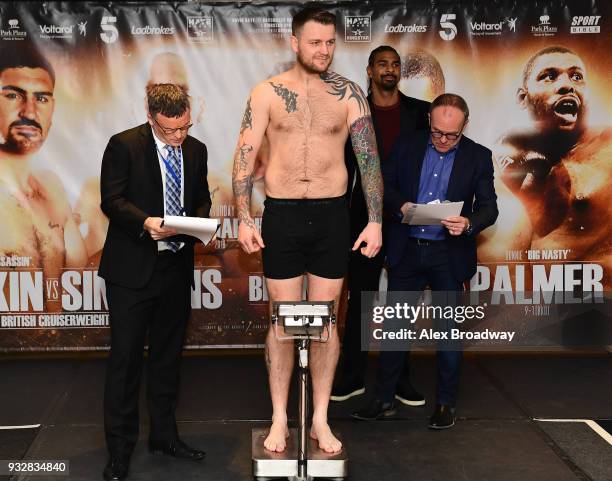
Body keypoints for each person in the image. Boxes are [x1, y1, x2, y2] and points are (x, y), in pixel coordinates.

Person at [232, 7, 383, 454]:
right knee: (282, 321)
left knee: (325, 321)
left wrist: (375, 220)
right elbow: (244, 156)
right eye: (315, 42)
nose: (324, 50)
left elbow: (369, 159)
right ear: (295, 43)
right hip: (281, 216)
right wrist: (243, 215)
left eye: (330, 42)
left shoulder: (350, 94)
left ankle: (319, 418)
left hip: (333, 217)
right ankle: (280, 416)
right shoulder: (267, 93)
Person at [352, 93, 498, 428]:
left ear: (464, 127)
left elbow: (489, 208)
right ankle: (384, 399)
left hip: (449, 255)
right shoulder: (407, 146)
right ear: (429, 122)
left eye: (452, 135)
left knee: (448, 333)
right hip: (407, 250)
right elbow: (382, 185)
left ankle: (446, 404)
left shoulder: (478, 156)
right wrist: (401, 206)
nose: (444, 140)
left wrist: (469, 223)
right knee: (394, 330)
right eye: (438, 133)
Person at [99, 83, 211, 481]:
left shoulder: (196, 150)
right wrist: (145, 223)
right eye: (170, 131)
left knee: (167, 359)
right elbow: (111, 200)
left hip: (175, 270)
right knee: (125, 362)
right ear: (151, 117)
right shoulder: (123, 145)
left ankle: (164, 436)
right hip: (132, 272)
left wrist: (199, 221)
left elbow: (201, 198)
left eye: (184, 127)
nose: (179, 137)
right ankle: (119, 449)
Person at [331, 46, 429, 406]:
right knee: (361, 298)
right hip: (362, 218)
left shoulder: (421, 113)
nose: (390, 70)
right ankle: (353, 375)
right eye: (382, 64)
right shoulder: (353, 109)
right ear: (369, 70)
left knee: (402, 302)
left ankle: (400, 378)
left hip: (406, 218)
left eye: (395, 64)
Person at [495, 46, 611, 285]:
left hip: (596, 307)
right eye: (549, 76)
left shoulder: (607, 151)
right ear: (522, 97)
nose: (567, 84)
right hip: (530, 307)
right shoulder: (498, 156)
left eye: (576, 76)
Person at [0, 45, 87, 284]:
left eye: (41, 98)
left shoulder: (52, 187)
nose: (29, 111)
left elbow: (81, 278)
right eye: (13, 95)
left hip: (57, 322)